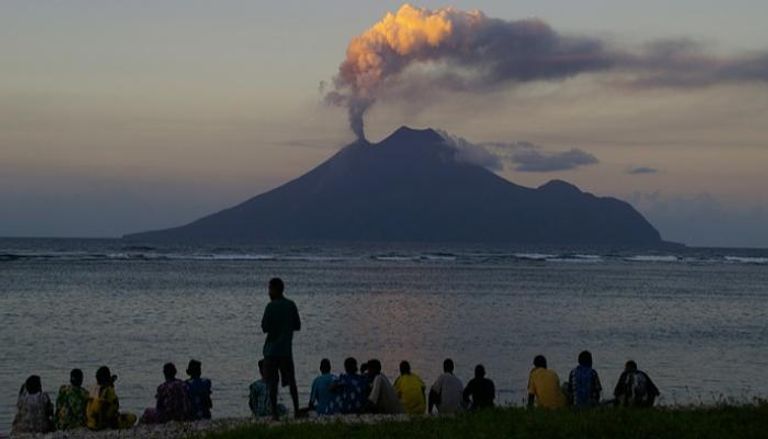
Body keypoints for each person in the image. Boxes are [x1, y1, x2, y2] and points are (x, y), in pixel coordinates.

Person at [261, 277, 301, 420]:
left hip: (271, 351)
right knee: (291, 381)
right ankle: (296, 410)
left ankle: (274, 414)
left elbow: (264, 327)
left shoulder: (270, 307)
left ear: (275, 290)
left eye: (270, 289)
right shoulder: (291, 305)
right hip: (285, 350)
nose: (268, 292)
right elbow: (297, 325)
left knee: (272, 383)